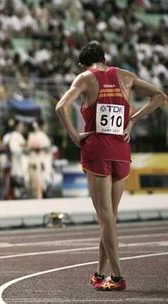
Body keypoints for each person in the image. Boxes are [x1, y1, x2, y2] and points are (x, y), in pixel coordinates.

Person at [55, 41, 167, 291]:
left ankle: (116, 277)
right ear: (104, 59)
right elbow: (160, 97)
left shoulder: (85, 78)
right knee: (110, 217)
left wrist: (75, 137)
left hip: (97, 150)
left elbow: (60, 107)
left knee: (106, 217)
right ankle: (99, 273)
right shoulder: (126, 76)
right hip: (122, 151)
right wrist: (133, 120)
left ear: (85, 64)